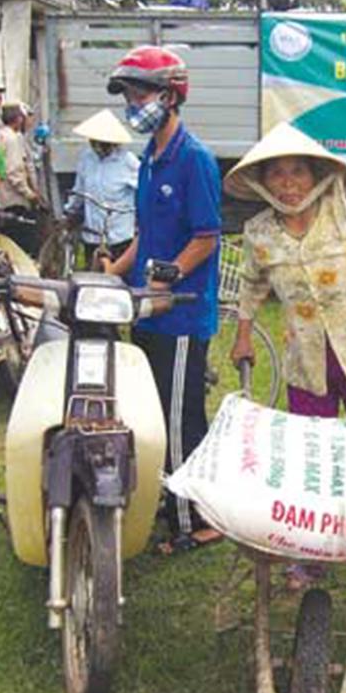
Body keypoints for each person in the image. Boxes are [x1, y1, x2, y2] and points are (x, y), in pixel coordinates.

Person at [103, 46, 221, 550]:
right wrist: (115, 271)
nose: (133, 103)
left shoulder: (193, 159)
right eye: (129, 94)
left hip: (180, 313)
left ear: (171, 96)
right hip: (145, 309)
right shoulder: (149, 158)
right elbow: (144, 233)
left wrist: (167, 279)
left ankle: (191, 523)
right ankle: (179, 499)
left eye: (140, 92)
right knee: (152, 414)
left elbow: (207, 236)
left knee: (178, 420)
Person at [226, 122, 346, 416]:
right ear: (263, 182)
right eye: (277, 174)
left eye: (298, 171)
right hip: (306, 359)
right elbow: (251, 285)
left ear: (315, 176)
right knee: (311, 449)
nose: (288, 183)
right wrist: (243, 337)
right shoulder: (259, 233)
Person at [64, 109, 139, 268]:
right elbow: (79, 190)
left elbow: (145, 191)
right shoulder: (87, 158)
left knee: (119, 282)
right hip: (93, 235)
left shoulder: (127, 162)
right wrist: (69, 212)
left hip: (120, 236)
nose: (97, 146)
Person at [0, 103, 42, 254]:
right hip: (13, 201)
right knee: (22, 248)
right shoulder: (11, 139)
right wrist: (30, 194)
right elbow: (14, 172)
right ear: (19, 119)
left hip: (0, 200)